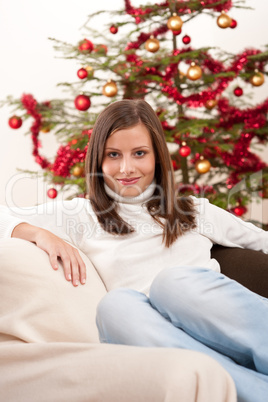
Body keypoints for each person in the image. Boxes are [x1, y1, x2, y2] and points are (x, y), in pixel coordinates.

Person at [0, 99, 267, 402]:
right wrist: (37, 233)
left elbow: (261, 241)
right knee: (115, 306)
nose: (126, 168)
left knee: (173, 283)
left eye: (139, 153)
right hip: (162, 345)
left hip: (220, 326)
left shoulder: (193, 210)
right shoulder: (80, 214)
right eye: (113, 155)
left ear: (157, 157)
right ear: (98, 161)